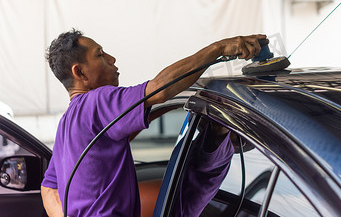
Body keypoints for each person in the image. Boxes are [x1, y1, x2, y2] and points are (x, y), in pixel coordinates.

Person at [40, 29, 265, 217]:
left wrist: (170, 105)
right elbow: (160, 89)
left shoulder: (67, 124)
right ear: (79, 72)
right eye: (100, 55)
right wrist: (219, 48)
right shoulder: (97, 101)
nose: (112, 59)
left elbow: (48, 187)